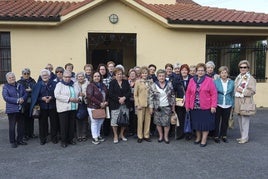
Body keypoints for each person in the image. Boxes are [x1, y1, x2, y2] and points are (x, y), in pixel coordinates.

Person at [185, 63, 217, 147]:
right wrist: (187, 105)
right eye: (198, 70)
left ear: (205, 71)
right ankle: (198, 138)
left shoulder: (209, 80)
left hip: (206, 107)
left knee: (205, 124)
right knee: (196, 124)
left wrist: (213, 106)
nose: (200, 72)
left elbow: (214, 93)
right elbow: (188, 93)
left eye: (202, 70)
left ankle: (204, 139)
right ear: (196, 72)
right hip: (194, 106)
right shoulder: (192, 80)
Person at [30, 69, 59, 145]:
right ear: (41, 76)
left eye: (46, 75)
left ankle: (54, 138)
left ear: (49, 76)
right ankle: (43, 139)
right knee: (42, 124)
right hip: (42, 107)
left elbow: (58, 94)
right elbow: (34, 96)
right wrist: (41, 98)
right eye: (43, 75)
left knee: (54, 123)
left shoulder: (55, 84)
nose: (44, 76)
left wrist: (51, 97)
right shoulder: (37, 85)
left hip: (53, 106)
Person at [54, 70, 81, 148]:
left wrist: (79, 99)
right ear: (63, 77)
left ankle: (71, 139)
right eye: (66, 77)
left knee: (71, 125)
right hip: (63, 108)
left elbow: (79, 93)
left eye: (69, 77)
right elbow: (57, 95)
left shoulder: (74, 84)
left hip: (73, 108)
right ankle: (64, 141)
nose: (67, 78)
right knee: (64, 125)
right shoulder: (59, 85)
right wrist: (69, 99)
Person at [149, 69, 175, 144]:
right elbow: (150, 97)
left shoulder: (169, 84)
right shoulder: (153, 85)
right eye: (159, 76)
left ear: (165, 76)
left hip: (167, 106)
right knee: (158, 122)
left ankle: (166, 137)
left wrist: (173, 107)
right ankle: (161, 136)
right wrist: (151, 107)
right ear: (157, 77)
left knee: (166, 123)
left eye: (163, 76)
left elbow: (173, 96)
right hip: (157, 107)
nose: (161, 77)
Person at [2, 72, 28, 148]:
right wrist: (17, 100)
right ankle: (12, 141)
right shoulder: (5, 87)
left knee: (21, 126)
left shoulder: (20, 85)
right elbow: (6, 97)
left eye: (13, 77)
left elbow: (25, 93)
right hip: (12, 110)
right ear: (7, 79)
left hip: (20, 109)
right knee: (12, 126)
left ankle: (20, 140)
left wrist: (23, 98)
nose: (12, 79)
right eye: (10, 78)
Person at [234, 60, 256, 144]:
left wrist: (243, 91)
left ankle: (245, 137)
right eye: (241, 67)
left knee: (245, 119)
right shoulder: (239, 77)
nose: (243, 69)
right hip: (238, 100)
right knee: (240, 119)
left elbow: (253, 91)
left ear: (248, 68)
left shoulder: (251, 78)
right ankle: (242, 136)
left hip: (245, 101)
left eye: (244, 67)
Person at [108, 67, 131, 144]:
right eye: (118, 74)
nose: (120, 75)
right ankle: (115, 135)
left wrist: (124, 98)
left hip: (125, 104)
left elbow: (129, 92)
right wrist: (119, 100)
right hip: (115, 104)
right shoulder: (112, 83)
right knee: (114, 121)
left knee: (124, 120)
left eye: (121, 74)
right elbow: (110, 94)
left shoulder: (126, 82)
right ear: (115, 75)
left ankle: (121, 134)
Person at [87, 72, 108, 145]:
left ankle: (98, 135)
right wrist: (100, 103)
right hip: (93, 106)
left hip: (102, 107)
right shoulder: (90, 85)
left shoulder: (103, 85)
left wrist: (106, 102)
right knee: (94, 122)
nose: (97, 77)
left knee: (100, 122)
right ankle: (94, 137)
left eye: (98, 76)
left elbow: (107, 95)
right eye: (95, 76)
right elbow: (90, 96)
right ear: (92, 77)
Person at [214, 66, 234, 143]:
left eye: (225, 72)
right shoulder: (216, 82)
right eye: (222, 72)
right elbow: (213, 93)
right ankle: (216, 136)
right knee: (217, 121)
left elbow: (233, 94)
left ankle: (224, 135)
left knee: (225, 121)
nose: (224, 74)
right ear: (219, 74)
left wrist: (233, 104)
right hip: (218, 103)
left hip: (228, 104)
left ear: (228, 74)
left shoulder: (232, 82)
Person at [173, 64, 192, 140]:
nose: (184, 71)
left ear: (188, 71)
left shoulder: (192, 79)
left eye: (185, 70)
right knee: (180, 118)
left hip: (189, 102)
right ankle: (180, 134)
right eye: (182, 70)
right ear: (180, 71)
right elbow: (173, 90)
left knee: (189, 118)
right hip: (179, 102)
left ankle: (188, 134)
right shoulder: (177, 79)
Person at [17, 68, 37, 140]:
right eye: (25, 73)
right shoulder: (19, 82)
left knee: (31, 118)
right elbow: (18, 92)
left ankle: (31, 133)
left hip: (31, 102)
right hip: (24, 103)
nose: (26, 75)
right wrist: (25, 91)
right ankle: (25, 134)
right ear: (22, 74)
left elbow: (36, 89)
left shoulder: (33, 81)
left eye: (28, 73)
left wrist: (32, 90)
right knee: (24, 119)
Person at [134, 66, 153, 143]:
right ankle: (140, 136)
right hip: (140, 104)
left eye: (146, 73)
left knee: (148, 120)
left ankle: (146, 135)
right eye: (143, 73)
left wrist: (152, 105)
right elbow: (135, 94)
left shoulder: (151, 82)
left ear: (148, 74)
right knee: (140, 121)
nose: (144, 74)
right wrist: (137, 104)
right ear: (141, 74)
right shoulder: (138, 82)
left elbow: (152, 93)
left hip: (149, 104)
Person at [74, 72, 90, 142]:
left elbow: (90, 92)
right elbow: (73, 93)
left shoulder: (88, 83)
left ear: (84, 77)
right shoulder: (74, 84)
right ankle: (78, 135)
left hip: (86, 103)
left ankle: (84, 135)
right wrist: (78, 95)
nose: (80, 78)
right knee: (78, 119)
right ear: (77, 78)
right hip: (77, 103)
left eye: (82, 76)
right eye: (79, 76)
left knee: (85, 120)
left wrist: (84, 94)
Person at [128, 69, 138, 136]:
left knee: (136, 117)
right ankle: (130, 130)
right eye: (131, 74)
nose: (132, 75)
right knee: (130, 116)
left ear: (136, 75)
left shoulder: (138, 82)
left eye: (133, 74)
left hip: (136, 102)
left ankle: (136, 131)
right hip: (129, 102)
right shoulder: (127, 82)